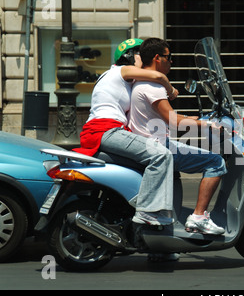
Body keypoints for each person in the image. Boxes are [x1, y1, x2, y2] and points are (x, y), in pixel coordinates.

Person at [73, 38, 178, 226]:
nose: (143, 60)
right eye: (139, 55)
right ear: (129, 56)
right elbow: (159, 77)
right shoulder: (120, 71)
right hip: (106, 130)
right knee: (161, 156)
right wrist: (170, 90)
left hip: (102, 130)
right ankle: (147, 211)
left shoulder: (118, 80)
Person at [128, 37, 227, 235]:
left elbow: (164, 117)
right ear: (157, 58)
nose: (171, 61)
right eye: (168, 57)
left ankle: (166, 236)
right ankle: (199, 217)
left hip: (147, 142)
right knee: (216, 162)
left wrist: (189, 119)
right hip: (158, 146)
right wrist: (208, 125)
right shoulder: (153, 87)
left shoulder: (140, 83)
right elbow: (174, 122)